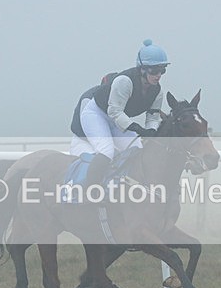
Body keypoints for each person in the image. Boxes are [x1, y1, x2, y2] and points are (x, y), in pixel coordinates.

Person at [70, 39, 169, 188]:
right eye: (154, 71)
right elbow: (114, 111)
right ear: (142, 69)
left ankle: (122, 186)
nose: (158, 75)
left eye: (162, 70)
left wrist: (151, 130)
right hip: (96, 114)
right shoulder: (124, 81)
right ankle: (89, 190)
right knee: (106, 151)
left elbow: (153, 116)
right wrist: (137, 128)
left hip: (116, 120)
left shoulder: (157, 91)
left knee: (137, 149)